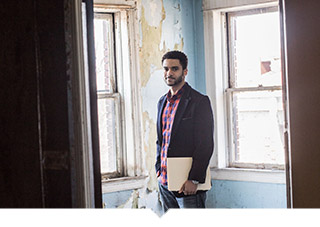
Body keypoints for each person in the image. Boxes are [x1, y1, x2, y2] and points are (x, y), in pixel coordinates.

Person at [155, 50, 214, 212]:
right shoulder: (162, 102)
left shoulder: (199, 101)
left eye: (174, 69)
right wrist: (158, 170)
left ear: (185, 72)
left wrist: (194, 179)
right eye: (166, 69)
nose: (169, 73)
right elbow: (161, 141)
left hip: (187, 184)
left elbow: (205, 144)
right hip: (165, 181)